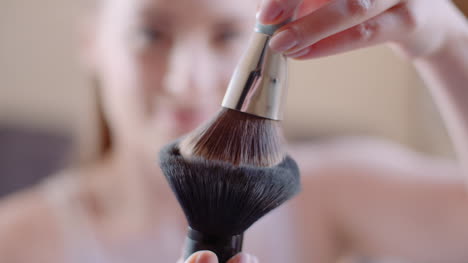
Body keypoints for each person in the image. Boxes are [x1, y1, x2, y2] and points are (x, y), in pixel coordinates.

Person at [0, 0, 467, 262]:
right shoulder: (15, 241)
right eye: (150, 35)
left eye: (226, 36)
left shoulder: (336, 190)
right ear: (91, 43)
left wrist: (449, 43)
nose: (189, 80)